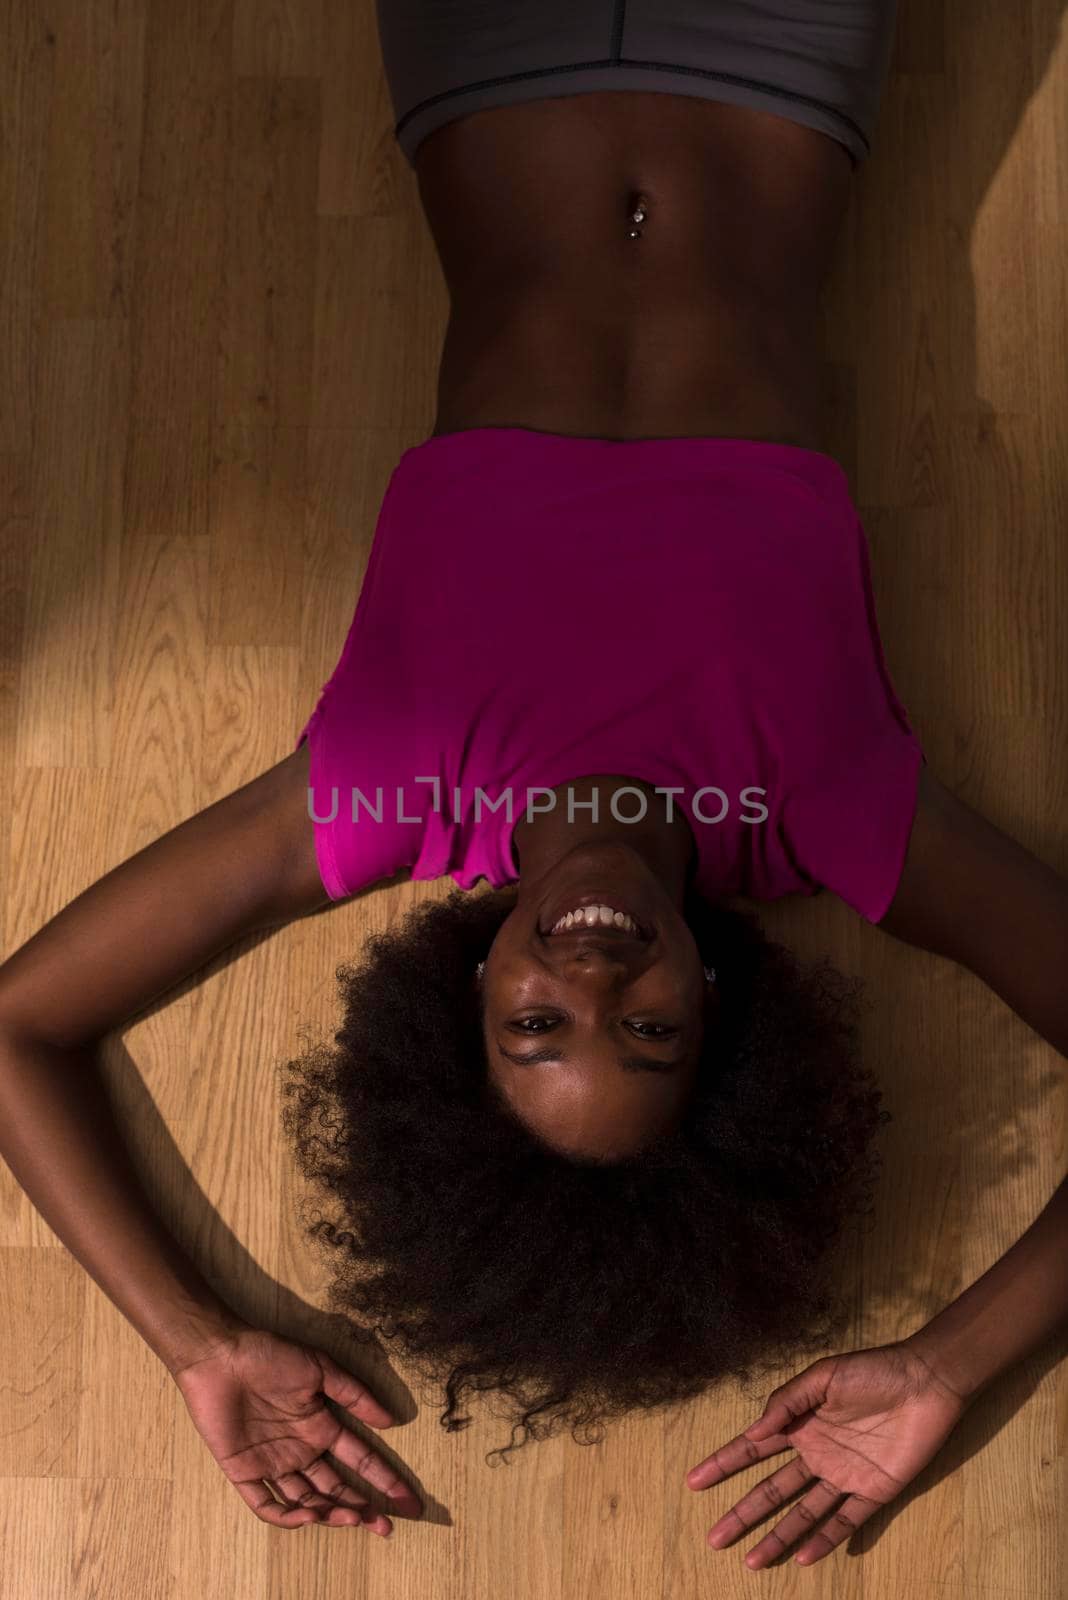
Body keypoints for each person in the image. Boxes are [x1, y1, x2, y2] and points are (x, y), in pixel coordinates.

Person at [0, 0, 1065, 1572]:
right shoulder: (829, 805)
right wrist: (947, 1364)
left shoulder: (383, 794)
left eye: (534, 1027)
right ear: (713, 997)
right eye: (647, 1030)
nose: (589, 971)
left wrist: (199, 1345)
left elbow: (17, 1026)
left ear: (469, 992)